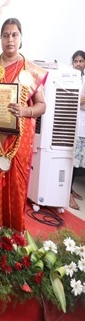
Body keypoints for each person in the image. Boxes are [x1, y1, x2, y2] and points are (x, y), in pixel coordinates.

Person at [0, 18, 47, 233]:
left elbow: (42, 105)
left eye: (14, 35)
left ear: (21, 38)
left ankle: (11, 238)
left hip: (18, 142)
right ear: (0, 39)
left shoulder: (31, 71)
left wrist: (25, 111)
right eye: (6, 35)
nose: (10, 39)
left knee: (16, 187)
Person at [71, 50, 85, 209]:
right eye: (76, 61)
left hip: (82, 127)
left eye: (81, 61)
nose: (78, 64)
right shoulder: (69, 78)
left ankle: (70, 189)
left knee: (77, 162)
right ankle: (67, 193)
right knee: (71, 160)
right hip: (71, 126)